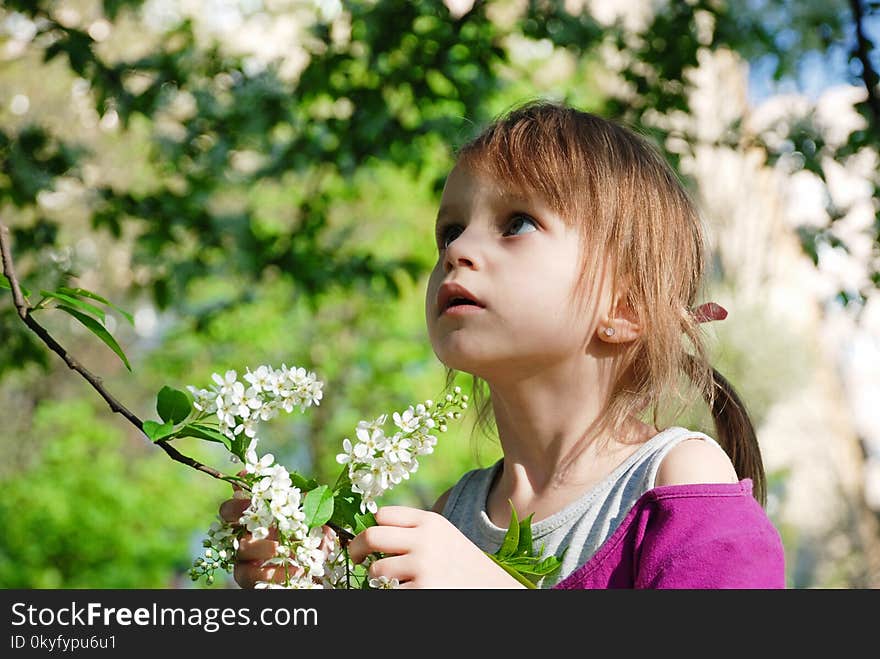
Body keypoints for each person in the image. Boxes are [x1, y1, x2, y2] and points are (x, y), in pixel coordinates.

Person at [219, 99, 786, 589]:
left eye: (516, 223)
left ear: (624, 309)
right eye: (450, 229)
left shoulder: (677, 481)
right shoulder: (452, 515)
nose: (456, 250)